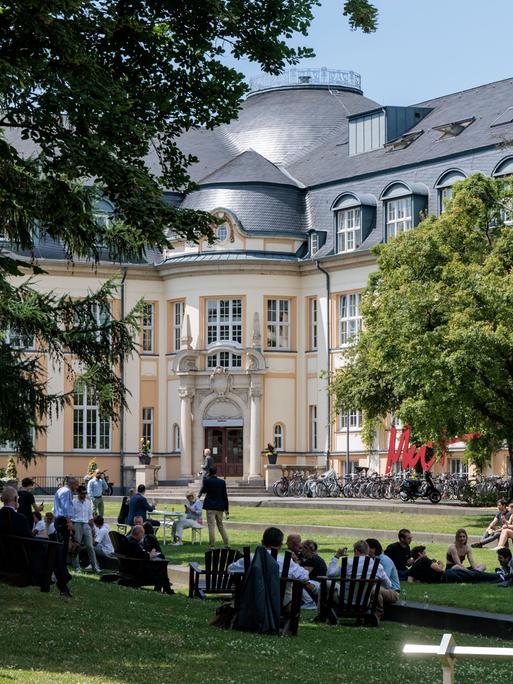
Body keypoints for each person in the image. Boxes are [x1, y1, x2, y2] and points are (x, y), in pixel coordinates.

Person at [228, 526, 316, 606]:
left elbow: (231, 568)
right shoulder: (285, 561)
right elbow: (304, 576)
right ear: (281, 545)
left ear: (262, 542)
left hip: (252, 601)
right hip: (280, 604)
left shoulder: (250, 559)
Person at [327, 540, 392, 624]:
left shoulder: (348, 562)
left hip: (343, 600)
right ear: (368, 551)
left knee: (326, 583)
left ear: (356, 551)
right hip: (364, 602)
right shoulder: (377, 566)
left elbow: (330, 574)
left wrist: (337, 556)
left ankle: (321, 614)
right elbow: (388, 585)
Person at [408, 546, 497, 584]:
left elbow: (410, 581)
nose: (426, 555)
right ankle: (498, 576)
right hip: (446, 576)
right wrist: (440, 563)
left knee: (473, 577)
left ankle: (497, 577)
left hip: (446, 578)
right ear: (420, 554)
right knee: (474, 575)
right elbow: (439, 569)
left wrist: (421, 581)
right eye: (424, 553)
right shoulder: (423, 560)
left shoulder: (413, 568)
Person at [126, 525, 174, 594]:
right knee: (162, 566)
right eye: (142, 534)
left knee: (162, 565)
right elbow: (143, 556)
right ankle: (165, 589)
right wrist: (151, 554)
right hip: (139, 570)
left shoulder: (129, 540)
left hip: (133, 567)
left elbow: (139, 554)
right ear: (139, 533)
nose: (143, 536)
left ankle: (166, 589)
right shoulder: (133, 544)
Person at [53, 476, 78, 596]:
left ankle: (63, 575)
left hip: (58, 520)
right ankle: (63, 576)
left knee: (61, 548)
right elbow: (66, 508)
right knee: (62, 550)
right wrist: (69, 523)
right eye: (76, 485)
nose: (76, 488)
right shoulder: (67, 492)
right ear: (72, 484)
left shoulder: (60, 490)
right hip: (63, 521)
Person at [71, 485, 99, 574]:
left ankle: (95, 567)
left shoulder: (88, 502)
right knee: (77, 547)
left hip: (86, 524)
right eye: (82, 493)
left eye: (85, 493)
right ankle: (77, 566)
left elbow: (90, 516)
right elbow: (70, 516)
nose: (84, 495)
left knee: (90, 546)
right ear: (78, 493)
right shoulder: (73, 502)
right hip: (77, 524)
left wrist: (93, 528)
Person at [199, 467, 229, 548]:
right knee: (221, 526)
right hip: (220, 506)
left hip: (210, 506)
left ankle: (212, 545)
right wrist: (227, 509)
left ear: (209, 472)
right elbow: (224, 496)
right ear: (216, 472)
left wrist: (204, 481)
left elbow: (204, 491)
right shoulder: (222, 482)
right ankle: (226, 544)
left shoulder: (207, 481)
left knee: (211, 526)